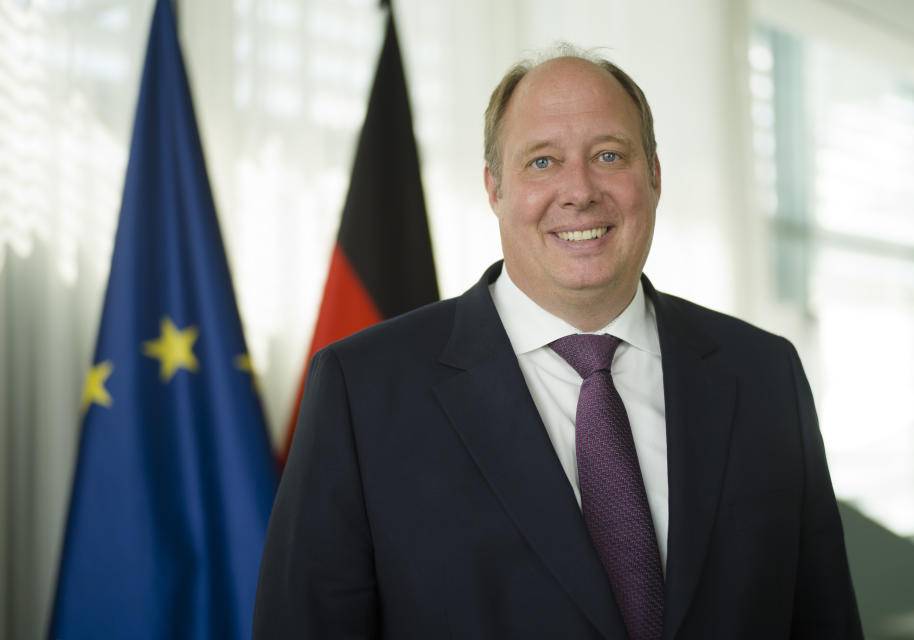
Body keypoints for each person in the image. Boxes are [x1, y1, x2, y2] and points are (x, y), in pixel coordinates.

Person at [253, 48, 863, 639]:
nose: (579, 190)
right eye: (542, 162)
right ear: (494, 187)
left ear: (653, 175)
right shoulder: (363, 389)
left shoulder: (763, 374)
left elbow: (822, 617)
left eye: (609, 155)